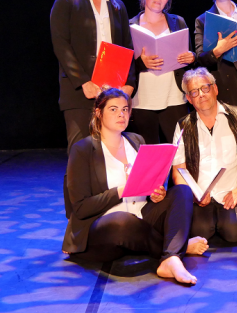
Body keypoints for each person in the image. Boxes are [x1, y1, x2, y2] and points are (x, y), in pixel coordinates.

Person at [61, 87, 208, 285]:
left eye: (125, 109)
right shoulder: (83, 149)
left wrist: (155, 194)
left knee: (182, 191)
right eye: (113, 109)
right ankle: (176, 247)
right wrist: (122, 190)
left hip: (141, 217)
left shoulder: (136, 141)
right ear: (98, 113)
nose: (121, 114)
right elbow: (81, 207)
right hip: (104, 227)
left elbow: (146, 187)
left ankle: (171, 258)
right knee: (122, 221)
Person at [50, 0, 136, 155]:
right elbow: (61, 44)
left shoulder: (117, 6)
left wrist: (130, 83)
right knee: (81, 154)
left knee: (108, 155)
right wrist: (83, 82)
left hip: (112, 93)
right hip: (80, 92)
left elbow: (127, 48)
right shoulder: (67, 0)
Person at [171, 68, 237, 243]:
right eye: (194, 91)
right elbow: (178, 170)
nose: (201, 94)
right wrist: (192, 194)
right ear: (189, 98)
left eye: (205, 88)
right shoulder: (183, 125)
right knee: (199, 232)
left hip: (233, 191)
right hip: (201, 197)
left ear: (215, 89)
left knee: (233, 232)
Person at [129, 0, 195, 145]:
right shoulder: (130, 26)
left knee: (180, 149)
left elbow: (189, 55)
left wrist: (191, 57)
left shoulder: (178, 22)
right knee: (148, 153)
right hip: (142, 100)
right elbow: (123, 67)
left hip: (174, 98)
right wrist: (140, 63)